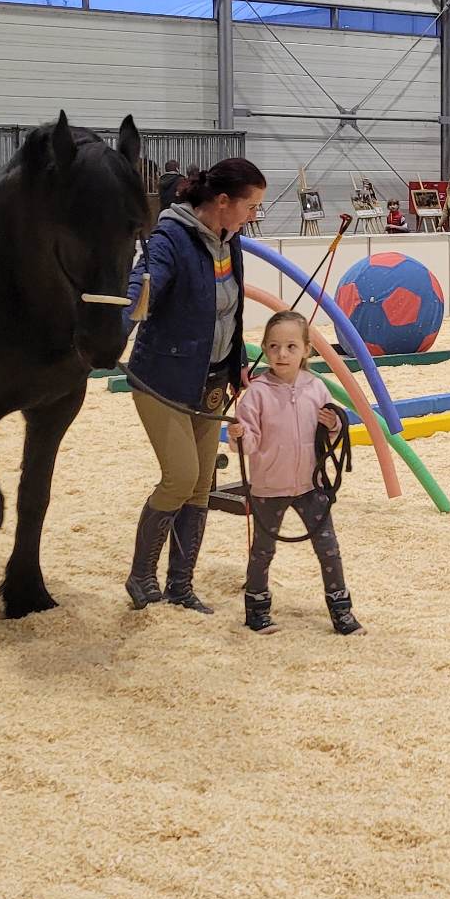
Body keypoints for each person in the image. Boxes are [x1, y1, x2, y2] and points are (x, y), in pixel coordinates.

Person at [122, 155, 265, 612]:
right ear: (223, 202)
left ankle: (180, 586)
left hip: (213, 380)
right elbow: (142, 285)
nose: (253, 216)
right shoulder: (169, 238)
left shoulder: (231, 240)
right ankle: (141, 575)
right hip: (162, 379)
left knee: (201, 485)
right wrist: (119, 321)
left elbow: (230, 312)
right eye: (250, 207)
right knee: (180, 478)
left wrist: (238, 360)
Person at [234, 310, 361, 637]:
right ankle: (257, 610)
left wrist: (334, 425)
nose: (281, 354)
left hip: (311, 485)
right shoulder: (257, 394)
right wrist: (239, 437)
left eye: (291, 346)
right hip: (268, 486)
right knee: (263, 550)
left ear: (307, 350)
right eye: (273, 346)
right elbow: (248, 444)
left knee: (328, 547)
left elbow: (331, 432)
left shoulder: (317, 388)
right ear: (264, 347)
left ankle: (341, 612)